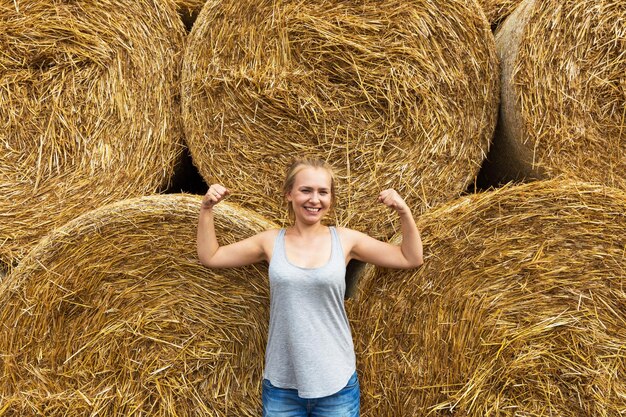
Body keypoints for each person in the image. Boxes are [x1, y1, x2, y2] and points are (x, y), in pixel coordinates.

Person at [197, 157, 423, 417]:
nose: (314, 199)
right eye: (306, 190)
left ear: (330, 199)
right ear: (289, 194)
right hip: (283, 384)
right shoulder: (270, 242)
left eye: (323, 192)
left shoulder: (345, 240)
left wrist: (404, 211)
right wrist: (206, 209)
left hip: (336, 382)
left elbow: (410, 257)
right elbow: (211, 257)